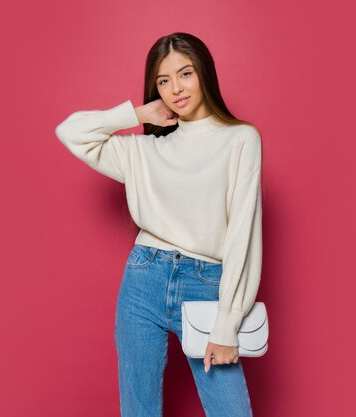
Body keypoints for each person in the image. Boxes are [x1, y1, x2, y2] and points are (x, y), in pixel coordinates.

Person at [55, 32, 262, 417]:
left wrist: (228, 323)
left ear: (204, 73)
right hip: (143, 279)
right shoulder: (145, 151)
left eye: (185, 74)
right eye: (163, 81)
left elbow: (243, 237)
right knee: (139, 410)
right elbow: (69, 131)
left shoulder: (241, 139)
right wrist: (136, 115)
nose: (175, 89)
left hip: (206, 284)